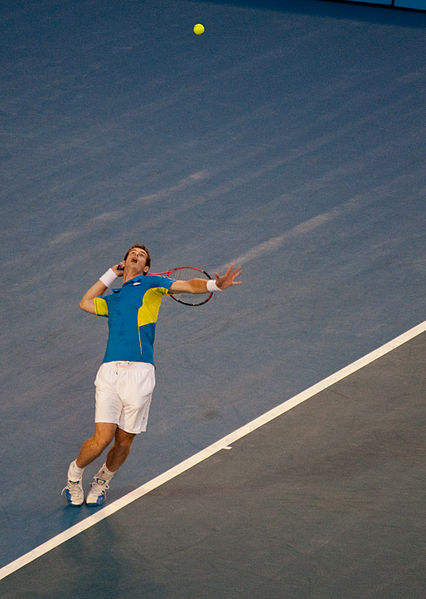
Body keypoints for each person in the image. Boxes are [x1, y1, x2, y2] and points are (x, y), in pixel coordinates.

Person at [62, 244, 242, 506]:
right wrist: (110, 273)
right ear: (125, 261)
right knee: (102, 439)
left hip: (141, 373)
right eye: (132, 253)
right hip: (110, 372)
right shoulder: (112, 299)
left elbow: (190, 286)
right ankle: (74, 475)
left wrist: (215, 285)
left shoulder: (153, 283)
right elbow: (85, 302)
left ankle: (102, 480)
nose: (136, 255)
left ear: (146, 267)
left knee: (123, 441)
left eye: (142, 255)